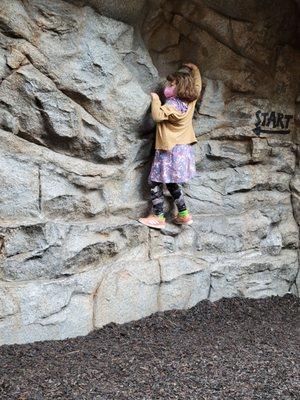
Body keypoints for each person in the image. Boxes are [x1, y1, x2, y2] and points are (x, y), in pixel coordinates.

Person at [138, 62, 202, 229]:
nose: (168, 86)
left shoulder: (171, 105)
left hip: (169, 150)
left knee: (154, 181)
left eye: (172, 84)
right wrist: (194, 70)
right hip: (183, 150)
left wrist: (156, 99)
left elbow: (158, 116)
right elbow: (197, 85)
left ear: (180, 87)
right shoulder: (190, 102)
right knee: (172, 182)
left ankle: (158, 216)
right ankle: (184, 214)